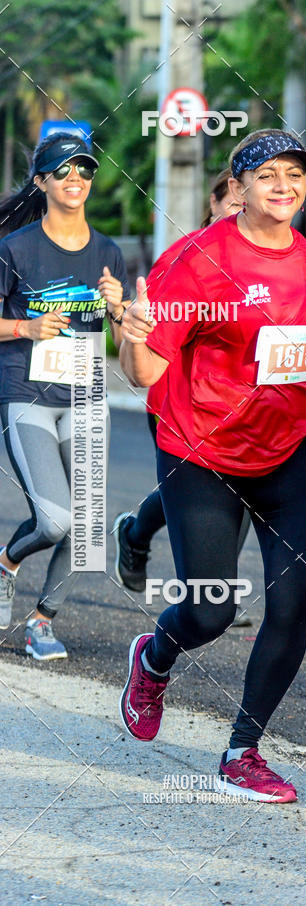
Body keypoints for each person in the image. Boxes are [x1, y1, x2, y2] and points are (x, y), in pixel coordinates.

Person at [118, 129, 306, 803]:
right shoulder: (196, 261)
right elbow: (147, 371)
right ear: (239, 186)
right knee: (210, 612)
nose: (285, 184)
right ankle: (154, 657)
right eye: (269, 174)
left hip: (290, 450)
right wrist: (134, 337)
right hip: (201, 452)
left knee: (295, 604)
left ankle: (242, 752)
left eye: (297, 174)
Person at [0, 132, 129, 659]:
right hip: (27, 393)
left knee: (89, 527)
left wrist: (121, 309)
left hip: (87, 395)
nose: (76, 179)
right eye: (64, 171)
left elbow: (126, 343)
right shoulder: (15, 248)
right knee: (55, 520)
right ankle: (8, 561)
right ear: (42, 182)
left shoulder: (108, 253)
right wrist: (24, 330)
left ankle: (41, 620)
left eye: (85, 171)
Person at [113, 170, 252, 626]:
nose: (241, 216)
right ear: (214, 204)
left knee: (241, 494)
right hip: (176, 403)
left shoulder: (266, 261)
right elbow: (148, 339)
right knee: (188, 497)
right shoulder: (188, 257)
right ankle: (136, 535)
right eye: (232, 206)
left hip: (242, 411)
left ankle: (217, 591)